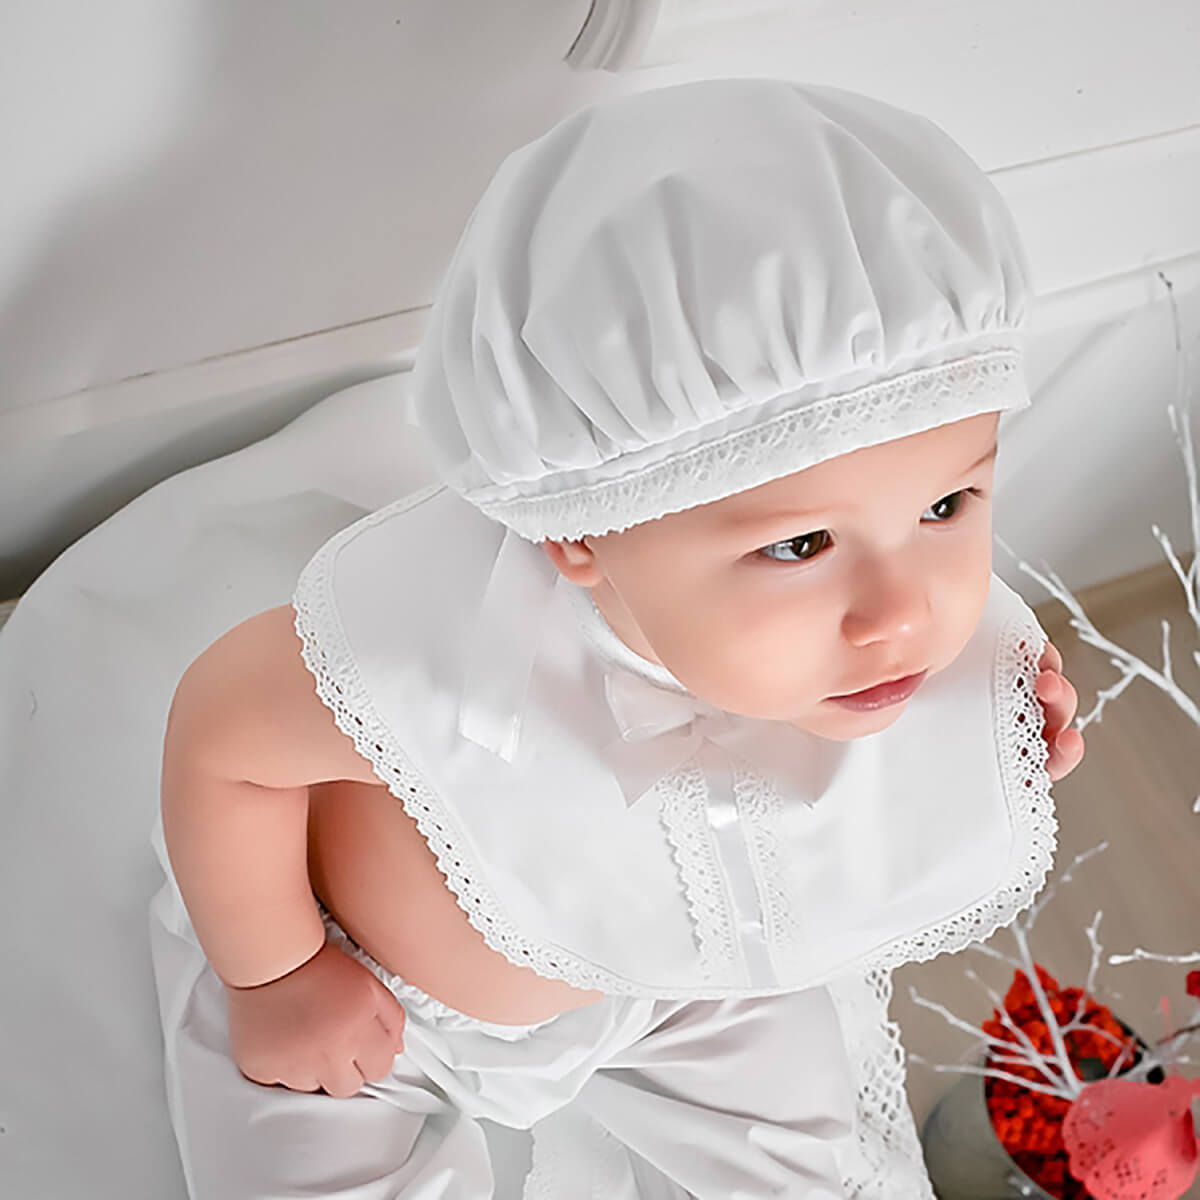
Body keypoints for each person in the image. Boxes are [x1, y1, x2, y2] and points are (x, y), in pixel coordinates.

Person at [150, 77, 1086, 1198]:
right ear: (578, 535)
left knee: (816, 1161)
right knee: (295, 1146)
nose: (904, 614)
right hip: (394, 998)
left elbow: (880, 752)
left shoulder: (873, 635)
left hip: (683, 976)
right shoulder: (425, 658)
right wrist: (276, 973)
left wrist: (985, 734)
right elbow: (220, 733)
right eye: (799, 547)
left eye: (947, 508)